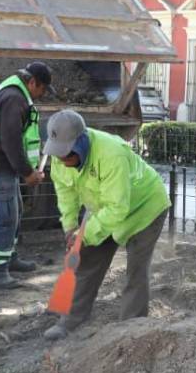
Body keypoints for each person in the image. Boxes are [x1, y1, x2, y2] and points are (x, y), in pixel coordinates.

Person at [42, 110, 171, 342]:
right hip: (106, 209)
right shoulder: (59, 157)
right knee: (86, 259)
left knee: (136, 271)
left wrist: (86, 234)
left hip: (145, 208)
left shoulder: (111, 154)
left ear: (80, 143)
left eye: (67, 154)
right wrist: (70, 228)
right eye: (58, 154)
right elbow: (66, 193)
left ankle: (131, 329)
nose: (62, 160)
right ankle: (71, 320)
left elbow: (117, 208)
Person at [0, 62, 54, 289]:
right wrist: (27, 173)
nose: (42, 94)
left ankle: (9, 258)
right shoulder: (14, 99)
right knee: (7, 219)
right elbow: (11, 141)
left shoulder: (14, 92)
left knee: (14, 213)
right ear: (32, 82)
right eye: (42, 89)